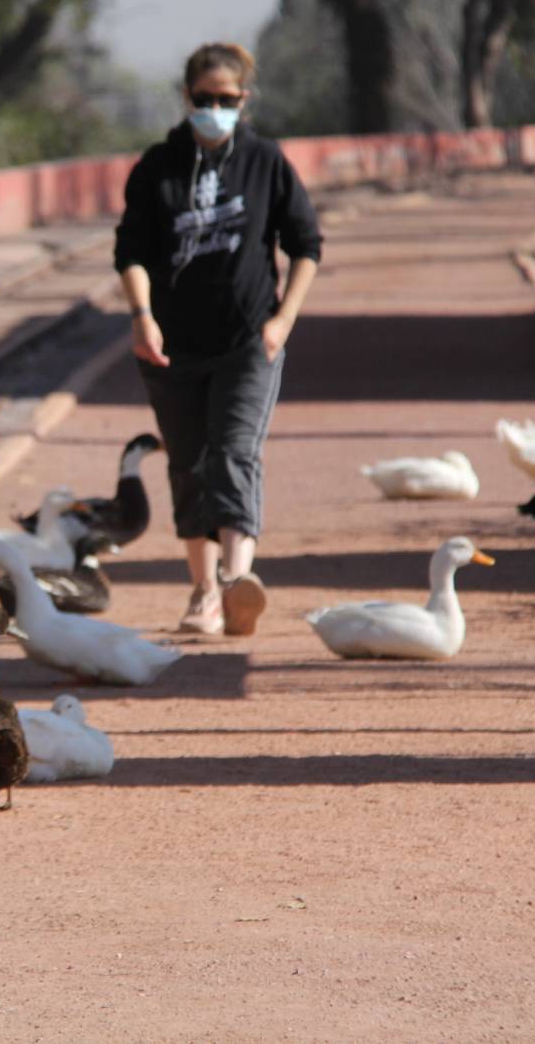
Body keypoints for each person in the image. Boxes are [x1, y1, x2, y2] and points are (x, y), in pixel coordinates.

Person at [113, 42, 322, 636]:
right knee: (188, 463)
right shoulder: (158, 166)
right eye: (204, 98)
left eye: (227, 100)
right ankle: (203, 591)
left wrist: (283, 321)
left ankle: (235, 582)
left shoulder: (265, 162)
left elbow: (305, 246)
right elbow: (131, 252)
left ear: (244, 100)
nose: (215, 109)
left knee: (233, 453)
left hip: (248, 340)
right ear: (187, 98)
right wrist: (141, 316)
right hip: (172, 346)